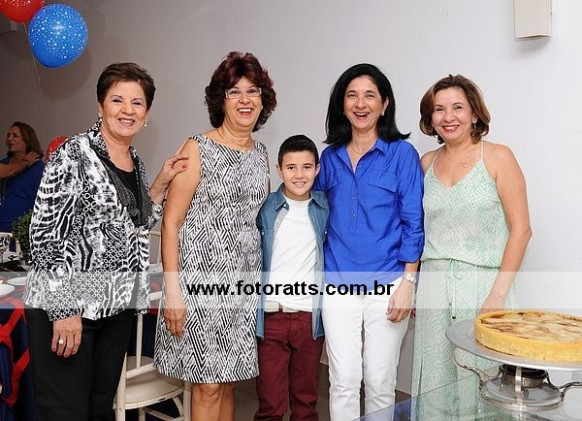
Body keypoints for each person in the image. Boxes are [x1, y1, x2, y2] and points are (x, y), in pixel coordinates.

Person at [23, 62, 188, 421]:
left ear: (147, 114)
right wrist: (64, 311)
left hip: (115, 307)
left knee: (99, 409)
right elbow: (44, 234)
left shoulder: (134, 160)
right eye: (117, 100)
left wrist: (160, 182)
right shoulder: (74, 153)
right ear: (100, 106)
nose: (128, 110)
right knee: (66, 413)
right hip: (68, 306)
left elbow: (134, 226)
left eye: (137, 102)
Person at [154, 51, 276, 421]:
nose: (244, 100)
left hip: (242, 286)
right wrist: (173, 291)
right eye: (234, 92)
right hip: (198, 286)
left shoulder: (261, 154)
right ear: (220, 100)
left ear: (263, 100)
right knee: (207, 385)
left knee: (227, 382)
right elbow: (171, 223)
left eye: (252, 91)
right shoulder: (197, 148)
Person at [411, 75, 532, 409]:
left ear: (475, 113)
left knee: (483, 383)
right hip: (434, 287)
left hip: (484, 288)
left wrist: (497, 295)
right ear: (430, 118)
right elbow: (419, 229)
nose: (448, 117)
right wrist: (414, 285)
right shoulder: (426, 163)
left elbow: (521, 230)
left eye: (457, 107)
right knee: (434, 381)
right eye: (439, 109)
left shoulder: (498, 157)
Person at [313, 64, 424, 420]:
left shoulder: (402, 154)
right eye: (352, 95)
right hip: (337, 282)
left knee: (379, 381)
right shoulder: (329, 158)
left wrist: (408, 283)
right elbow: (315, 216)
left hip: (388, 283)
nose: (360, 104)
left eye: (369, 96)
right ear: (342, 104)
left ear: (384, 103)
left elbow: (414, 222)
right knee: (343, 380)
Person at [254, 135, 328, 421]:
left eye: (307, 167)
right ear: (279, 170)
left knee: (305, 401)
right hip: (272, 315)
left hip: (309, 318)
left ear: (317, 169)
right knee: (270, 403)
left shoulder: (324, 208)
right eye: (291, 167)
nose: (299, 175)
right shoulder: (265, 208)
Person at [0, 121, 44, 233]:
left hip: (21, 232)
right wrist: (25, 162)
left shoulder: (38, 168)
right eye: (8, 135)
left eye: (15, 136)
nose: (10, 139)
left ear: (27, 140)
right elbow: (10, 171)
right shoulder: (3, 164)